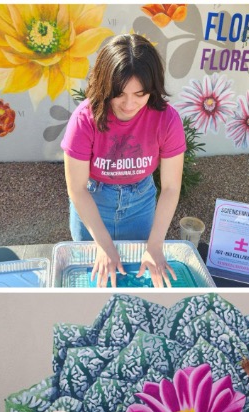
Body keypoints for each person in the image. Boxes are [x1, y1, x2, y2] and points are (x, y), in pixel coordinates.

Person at [61, 34, 186, 288]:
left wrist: (155, 245)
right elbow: (76, 188)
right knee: (92, 279)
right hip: (94, 202)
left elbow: (171, 187)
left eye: (140, 94)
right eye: (119, 94)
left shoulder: (167, 119)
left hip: (141, 205)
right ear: (105, 85)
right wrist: (103, 245)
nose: (130, 105)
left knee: (135, 278)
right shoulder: (84, 119)